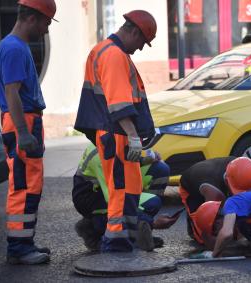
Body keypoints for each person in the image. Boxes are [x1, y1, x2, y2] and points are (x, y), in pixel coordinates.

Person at [74, 10, 157, 252]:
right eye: (142, 42)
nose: (141, 48)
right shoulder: (114, 55)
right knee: (123, 191)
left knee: (128, 189)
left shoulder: (102, 50)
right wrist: (133, 136)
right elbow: (119, 103)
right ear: (133, 31)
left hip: (111, 133)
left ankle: (123, 241)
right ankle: (116, 244)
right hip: (118, 134)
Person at [0, 0, 57, 264]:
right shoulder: (13, 48)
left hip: (25, 121)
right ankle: (19, 249)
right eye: (46, 22)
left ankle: (24, 243)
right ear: (32, 18)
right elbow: (12, 93)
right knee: (23, 186)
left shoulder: (14, 46)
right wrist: (22, 131)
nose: (46, 30)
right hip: (22, 121)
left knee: (29, 185)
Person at [72, 143, 177, 251]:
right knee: (152, 202)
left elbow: (125, 161)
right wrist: (152, 222)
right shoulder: (101, 155)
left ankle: (138, 232)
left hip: (115, 184)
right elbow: (116, 201)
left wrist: (147, 159)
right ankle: (95, 231)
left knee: (160, 169)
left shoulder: (116, 138)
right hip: (94, 198)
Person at [179, 156, 251, 245]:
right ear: (226, 180)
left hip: (214, 178)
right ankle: (193, 227)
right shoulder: (212, 191)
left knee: (235, 229)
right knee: (205, 237)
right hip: (192, 187)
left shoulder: (248, 172)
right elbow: (208, 224)